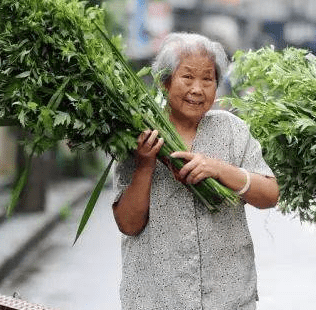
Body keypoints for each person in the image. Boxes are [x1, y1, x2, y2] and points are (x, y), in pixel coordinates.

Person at [112, 32, 279, 310]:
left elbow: (270, 194)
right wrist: (145, 164)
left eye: (208, 79)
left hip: (227, 299)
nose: (197, 89)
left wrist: (219, 169)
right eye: (187, 77)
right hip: (157, 300)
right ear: (165, 82)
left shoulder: (232, 130)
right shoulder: (140, 134)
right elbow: (128, 224)